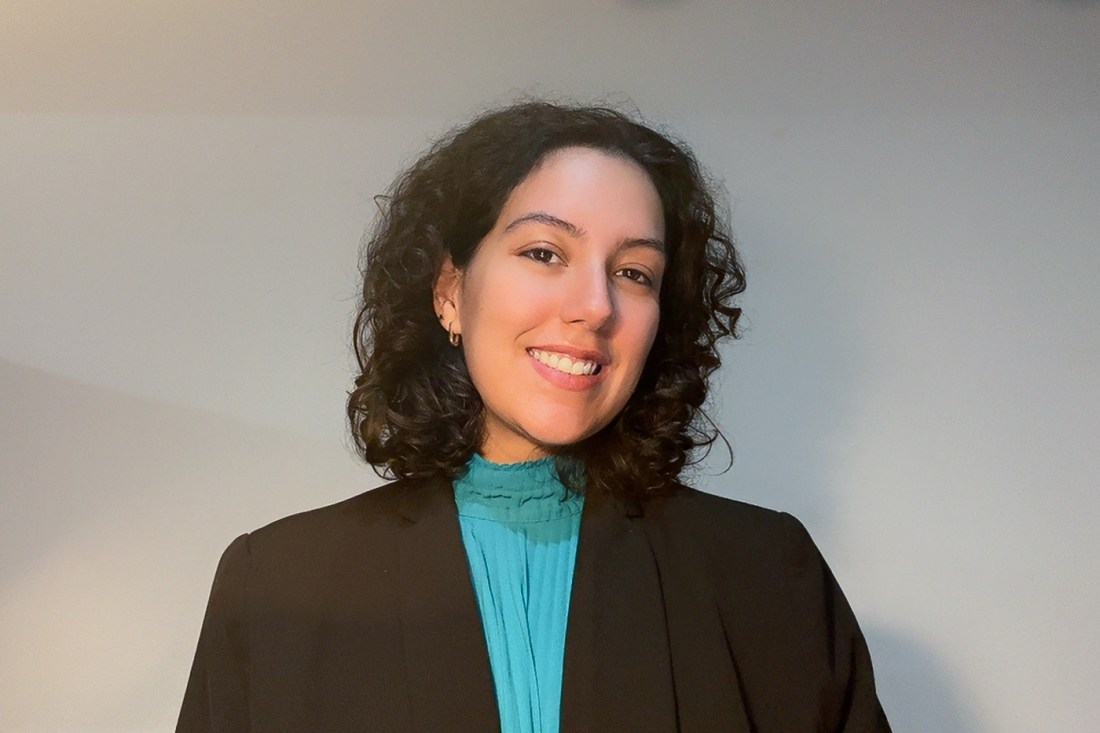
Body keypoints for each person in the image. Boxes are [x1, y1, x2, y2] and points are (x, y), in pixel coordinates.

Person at [177, 101, 891, 732]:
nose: (595, 305)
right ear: (450, 291)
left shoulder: (769, 577)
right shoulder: (275, 586)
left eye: (634, 272)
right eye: (545, 252)